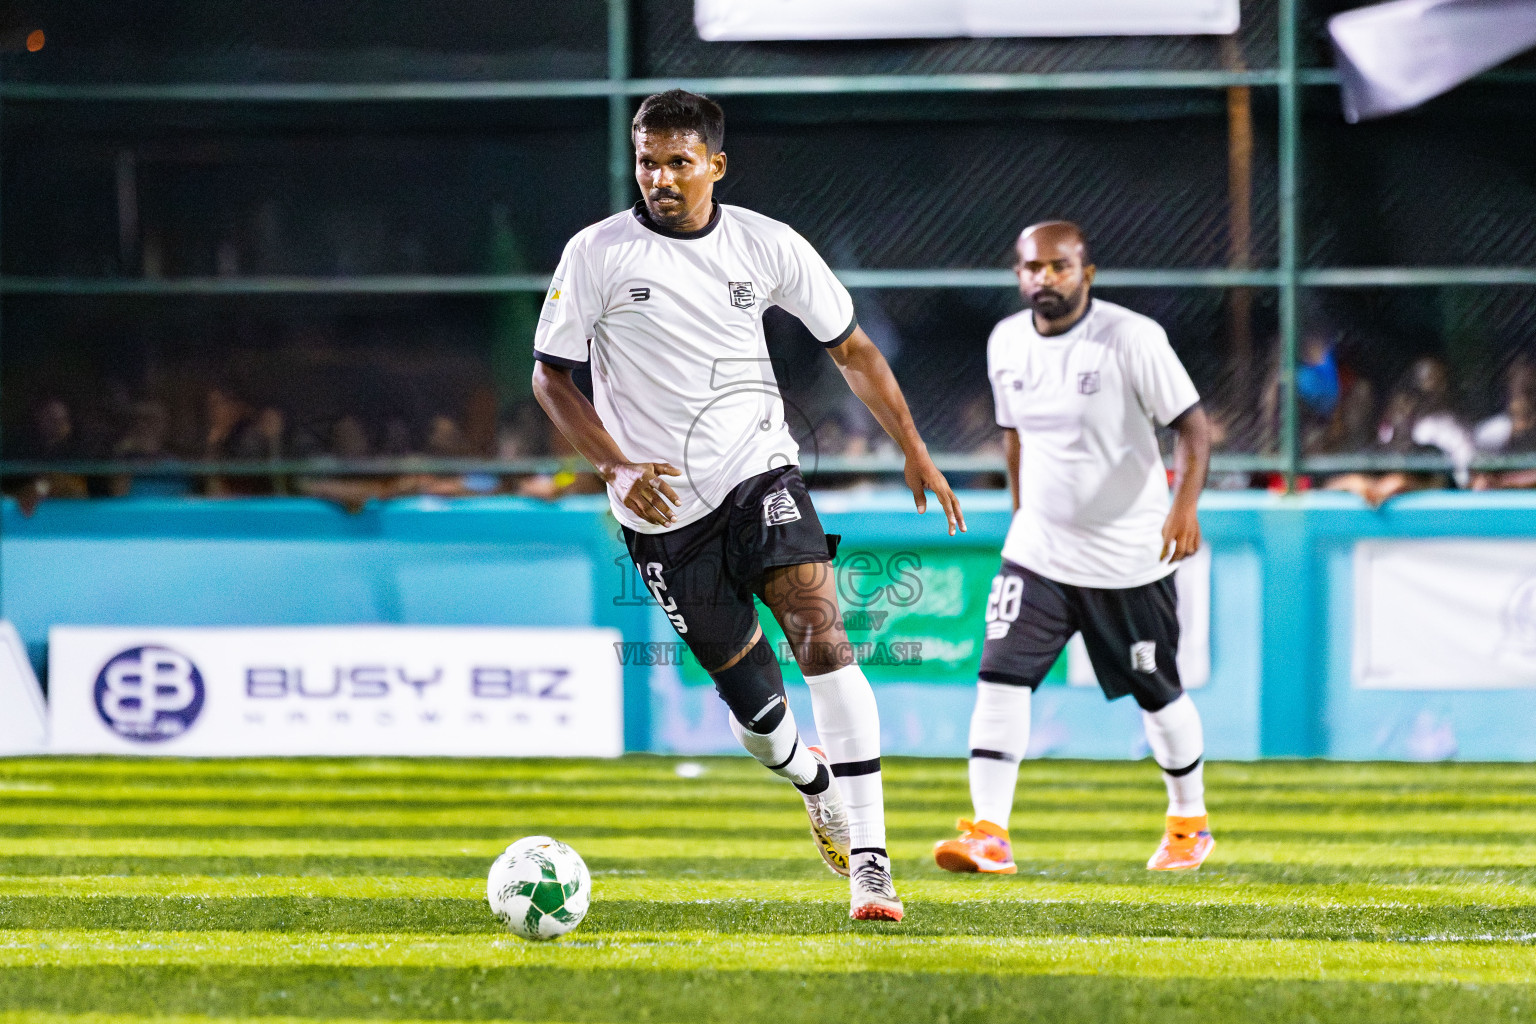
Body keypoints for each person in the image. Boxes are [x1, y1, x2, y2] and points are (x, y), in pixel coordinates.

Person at [532, 89, 964, 921]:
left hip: (759, 470)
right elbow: (550, 375)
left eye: (678, 161)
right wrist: (616, 467)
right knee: (758, 711)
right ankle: (810, 778)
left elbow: (854, 349)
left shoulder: (768, 245)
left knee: (821, 633)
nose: (659, 176)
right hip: (660, 514)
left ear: (715, 166)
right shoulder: (596, 253)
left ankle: (872, 864)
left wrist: (913, 444)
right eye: (647, 160)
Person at [932, 221, 1215, 875]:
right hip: (1039, 553)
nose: (1044, 278)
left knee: (1158, 693)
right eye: (1033, 268)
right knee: (999, 679)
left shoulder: (1131, 338)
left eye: (1059, 267)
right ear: (1018, 274)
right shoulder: (1006, 341)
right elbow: (1014, 438)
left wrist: (1184, 507)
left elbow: (1194, 429)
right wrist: (1020, 518)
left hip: (1127, 556)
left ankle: (1188, 823)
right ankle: (989, 833)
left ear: (1086, 274)